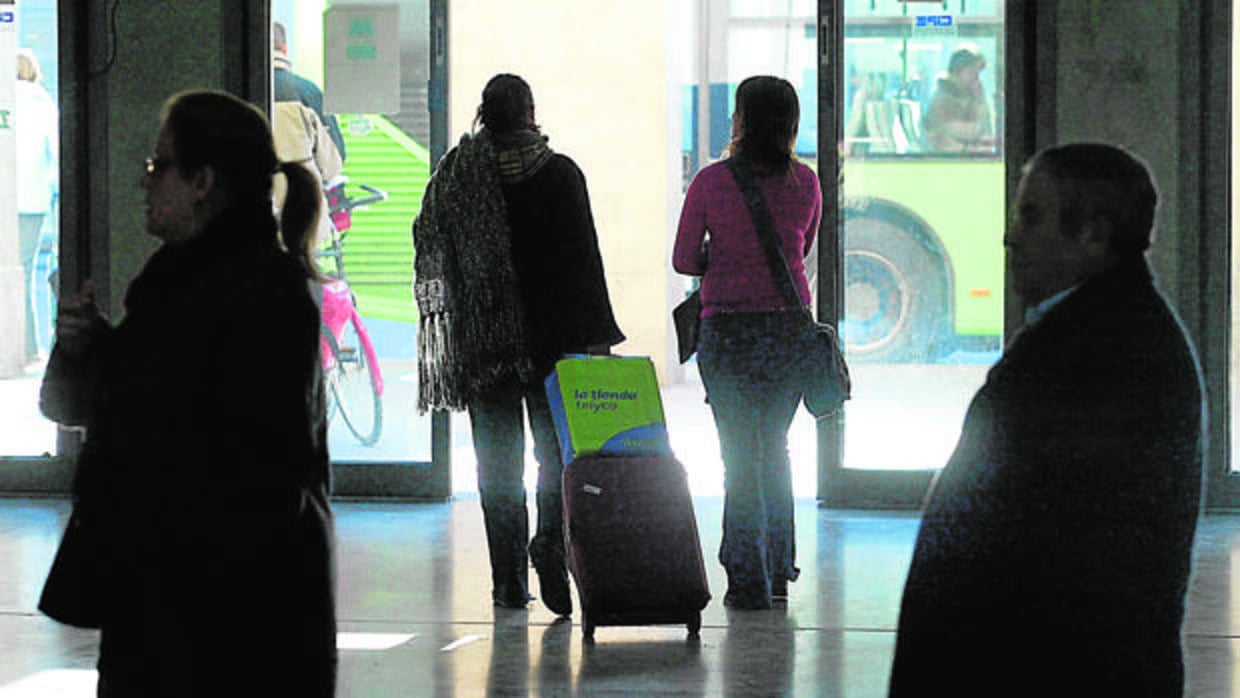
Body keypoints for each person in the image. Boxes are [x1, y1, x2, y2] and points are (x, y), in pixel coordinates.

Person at [39, 90, 337, 697]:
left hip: (226, 615)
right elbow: (93, 406)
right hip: (170, 600)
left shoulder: (262, 294)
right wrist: (84, 346)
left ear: (203, 181)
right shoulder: (172, 283)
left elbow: (254, 463)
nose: (145, 183)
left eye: (159, 167)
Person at [889, 144, 1204, 696]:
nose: (1012, 236)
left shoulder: (1099, 355)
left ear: (1093, 233)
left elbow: (1043, 556)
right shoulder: (1105, 333)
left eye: (1032, 215)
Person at [412, 74, 625, 615]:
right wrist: (598, 339)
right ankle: (551, 538)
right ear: (531, 113)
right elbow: (585, 266)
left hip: (485, 345)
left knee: (497, 464)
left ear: (484, 115)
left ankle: (507, 581)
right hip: (556, 342)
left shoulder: (456, 177)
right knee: (554, 455)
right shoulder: (560, 175)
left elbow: (429, 244)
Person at [673, 75, 822, 610]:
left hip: (729, 333)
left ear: (740, 119)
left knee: (739, 454)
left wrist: (724, 258)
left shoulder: (712, 183)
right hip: (786, 332)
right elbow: (802, 250)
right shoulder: (806, 183)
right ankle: (778, 570)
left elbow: (685, 260)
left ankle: (746, 578)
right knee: (774, 449)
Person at [15, 48, 59, 364]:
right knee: (26, 272)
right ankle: (30, 346)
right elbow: (56, 151)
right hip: (33, 200)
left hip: (8, 198)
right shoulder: (41, 102)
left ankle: (18, 344)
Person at [273, 21, 346, 161]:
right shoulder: (308, 91)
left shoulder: (231, 90)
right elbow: (335, 157)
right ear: (284, 49)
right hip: (297, 180)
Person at [922, 45, 994, 153]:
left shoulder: (968, 96)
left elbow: (986, 131)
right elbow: (972, 131)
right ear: (956, 71)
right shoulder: (943, 100)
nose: (976, 78)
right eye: (971, 72)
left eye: (978, 73)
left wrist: (979, 100)